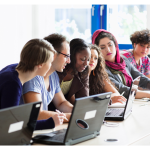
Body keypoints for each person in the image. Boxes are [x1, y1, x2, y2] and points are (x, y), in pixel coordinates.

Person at [0, 38, 66, 130]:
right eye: (50, 62)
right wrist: (48, 123)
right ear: (40, 64)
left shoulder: (12, 69)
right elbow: (10, 124)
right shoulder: (13, 84)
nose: (51, 66)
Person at [21, 33, 73, 122]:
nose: (69, 61)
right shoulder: (33, 77)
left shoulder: (53, 75)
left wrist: (78, 112)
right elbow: (37, 114)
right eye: (66, 56)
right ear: (53, 54)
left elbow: (61, 103)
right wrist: (73, 117)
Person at [92, 29, 150, 99]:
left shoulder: (123, 59)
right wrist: (148, 94)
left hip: (129, 101)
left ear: (115, 45)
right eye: (102, 47)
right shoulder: (100, 68)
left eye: (110, 45)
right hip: (117, 104)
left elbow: (140, 78)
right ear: (97, 50)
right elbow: (122, 90)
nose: (108, 50)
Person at [53, 38, 91, 106]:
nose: (86, 64)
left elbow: (83, 101)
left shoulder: (83, 73)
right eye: (83, 59)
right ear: (71, 55)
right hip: (49, 110)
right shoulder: (58, 69)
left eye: (88, 60)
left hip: (63, 110)